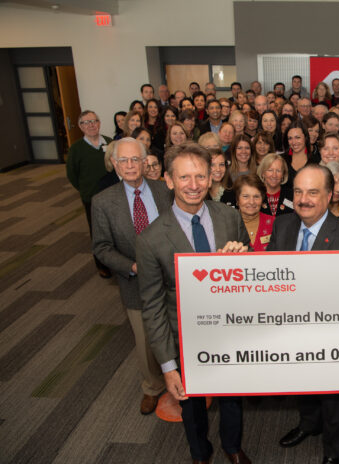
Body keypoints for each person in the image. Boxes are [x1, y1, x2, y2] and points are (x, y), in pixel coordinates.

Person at [136, 142, 251, 464]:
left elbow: (251, 270)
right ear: (169, 181)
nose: (194, 185)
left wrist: (242, 260)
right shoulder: (151, 239)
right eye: (184, 177)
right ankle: (200, 453)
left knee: (232, 399)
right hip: (184, 339)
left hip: (230, 331)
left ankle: (232, 446)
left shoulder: (229, 217)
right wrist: (168, 367)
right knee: (192, 406)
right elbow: (153, 306)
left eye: (200, 176)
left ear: (211, 178)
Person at [270, 164, 339, 464]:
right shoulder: (282, 226)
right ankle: (308, 425)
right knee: (303, 387)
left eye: (313, 192)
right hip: (292, 330)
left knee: (334, 400)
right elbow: (271, 276)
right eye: (298, 191)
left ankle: (333, 451)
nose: (304, 199)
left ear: (330, 195)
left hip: (330, 335)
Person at [91, 138, 170, 415]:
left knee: (176, 331)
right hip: (134, 281)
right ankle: (152, 386)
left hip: (172, 278)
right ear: (114, 164)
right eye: (123, 160)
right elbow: (101, 247)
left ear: (145, 161)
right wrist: (132, 267)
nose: (129, 165)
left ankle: (180, 381)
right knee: (144, 339)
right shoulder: (102, 202)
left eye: (135, 159)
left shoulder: (165, 191)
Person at [66, 110, 113, 278]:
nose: (91, 125)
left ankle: (116, 262)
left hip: (112, 195)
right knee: (97, 231)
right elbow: (72, 174)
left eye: (94, 121)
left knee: (115, 229)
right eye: (86, 122)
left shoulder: (109, 142)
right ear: (80, 126)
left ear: (99, 123)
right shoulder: (76, 149)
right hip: (91, 197)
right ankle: (102, 265)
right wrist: (85, 189)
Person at [230, 174, 275, 252]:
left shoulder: (275, 223)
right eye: (245, 196)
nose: (251, 202)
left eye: (256, 197)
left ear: (262, 199)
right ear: (237, 199)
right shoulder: (227, 224)